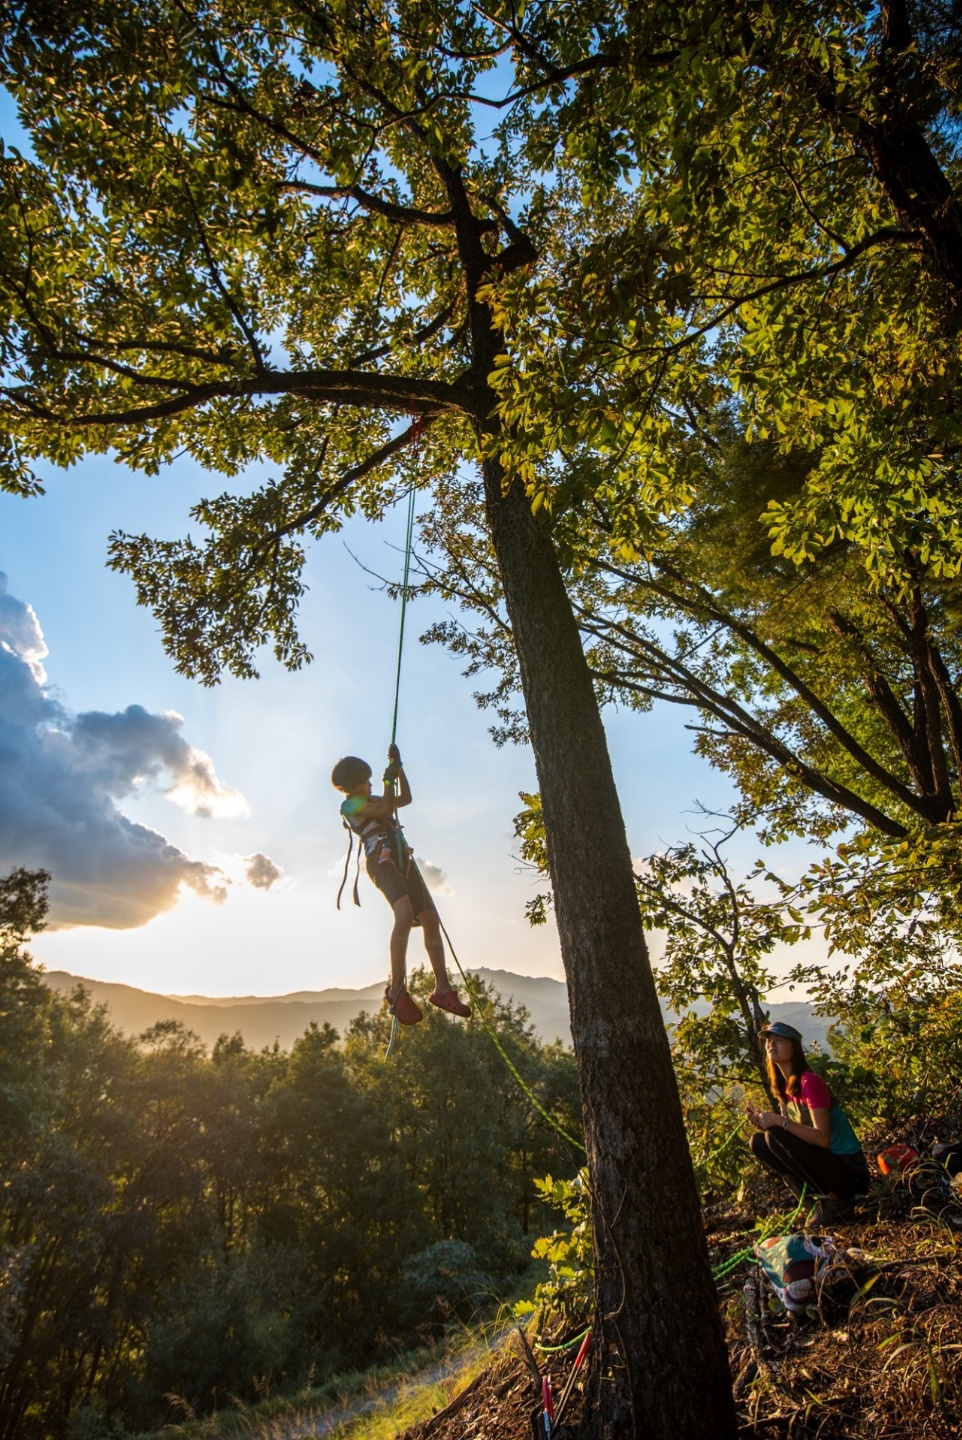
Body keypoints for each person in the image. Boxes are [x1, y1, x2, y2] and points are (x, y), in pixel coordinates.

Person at [331, 744, 471, 1026]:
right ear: (353, 784)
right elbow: (385, 808)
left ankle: (442, 989)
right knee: (405, 915)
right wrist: (387, 778)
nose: (371, 784)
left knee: (431, 919)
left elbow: (404, 798)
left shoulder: (373, 798)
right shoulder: (351, 805)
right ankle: (397, 989)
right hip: (382, 862)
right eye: (367, 780)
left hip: (402, 859)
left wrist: (399, 769)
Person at [747, 1021, 869, 1225]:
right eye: (768, 1041)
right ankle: (815, 1202)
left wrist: (778, 1121)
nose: (771, 1045)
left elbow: (822, 1139)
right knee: (759, 1142)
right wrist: (766, 1122)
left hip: (849, 1173)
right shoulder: (784, 1087)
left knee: (775, 1135)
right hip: (827, 1168)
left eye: (778, 1040)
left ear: (793, 1047)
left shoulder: (809, 1082)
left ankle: (838, 1205)